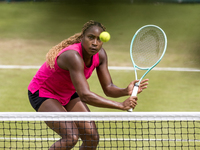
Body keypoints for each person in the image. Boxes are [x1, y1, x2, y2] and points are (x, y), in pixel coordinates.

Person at [28, 20, 149, 150]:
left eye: (99, 39)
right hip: (44, 92)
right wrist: (120, 105)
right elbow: (85, 95)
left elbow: (108, 88)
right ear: (82, 37)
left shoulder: (101, 55)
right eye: (91, 37)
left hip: (68, 93)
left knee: (92, 138)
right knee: (71, 137)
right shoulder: (72, 56)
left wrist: (125, 90)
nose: (95, 43)